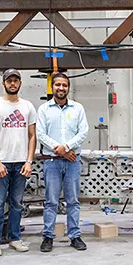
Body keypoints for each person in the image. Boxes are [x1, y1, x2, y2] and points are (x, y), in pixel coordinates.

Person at [0, 69, 37, 256]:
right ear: (4, 83)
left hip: (20, 163)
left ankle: (15, 238)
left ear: (20, 83)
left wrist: (29, 161)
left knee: (17, 203)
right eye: (9, 80)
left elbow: (32, 136)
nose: (12, 84)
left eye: (16, 80)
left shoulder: (28, 106)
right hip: (1, 163)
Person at [36, 73, 88, 253]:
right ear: (52, 87)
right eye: (57, 85)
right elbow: (41, 134)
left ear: (68, 87)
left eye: (64, 85)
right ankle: (48, 236)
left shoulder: (78, 108)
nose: (61, 88)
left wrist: (65, 147)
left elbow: (83, 132)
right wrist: (59, 150)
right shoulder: (43, 109)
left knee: (73, 200)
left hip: (73, 161)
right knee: (51, 201)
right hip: (52, 161)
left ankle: (75, 235)